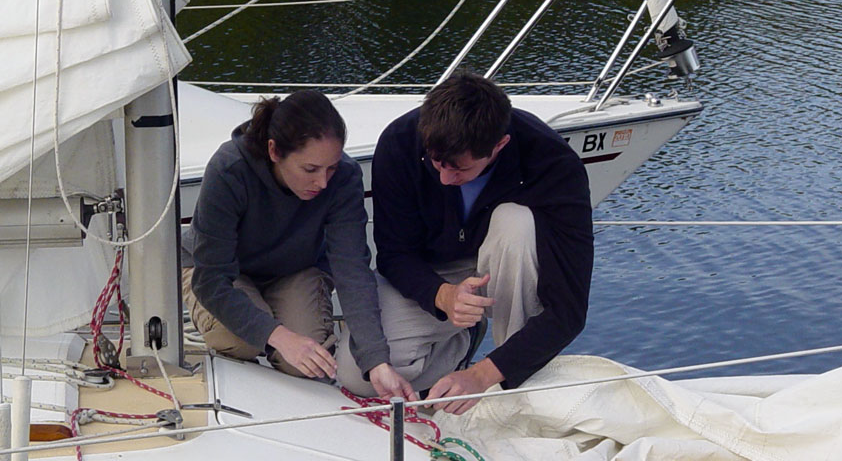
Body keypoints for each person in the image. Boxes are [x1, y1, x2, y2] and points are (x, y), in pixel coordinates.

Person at [337, 72, 593, 413]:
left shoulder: (553, 162)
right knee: (359, 375)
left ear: (499, 145)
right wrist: (442, 295)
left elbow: (569, 310)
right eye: (436, 163)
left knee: (516, 222)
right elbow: (395, 254)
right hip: (434, 275)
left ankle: (510, 383)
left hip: (507, 265)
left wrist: (482, 376)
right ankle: (462, 342)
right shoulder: (400, 142)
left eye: (459, 169)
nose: (445, 179)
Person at [184, 90, 413, 400]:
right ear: (274, 151)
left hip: (294, 270)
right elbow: (212, 280)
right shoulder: (229, 170)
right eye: (310, 170)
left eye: (331, 168)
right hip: (226, 273)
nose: (323, 183)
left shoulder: (344, 178)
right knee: (243, 341)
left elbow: (353, 271)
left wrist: (376, 361)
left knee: (310, 364)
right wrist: (278, 336)